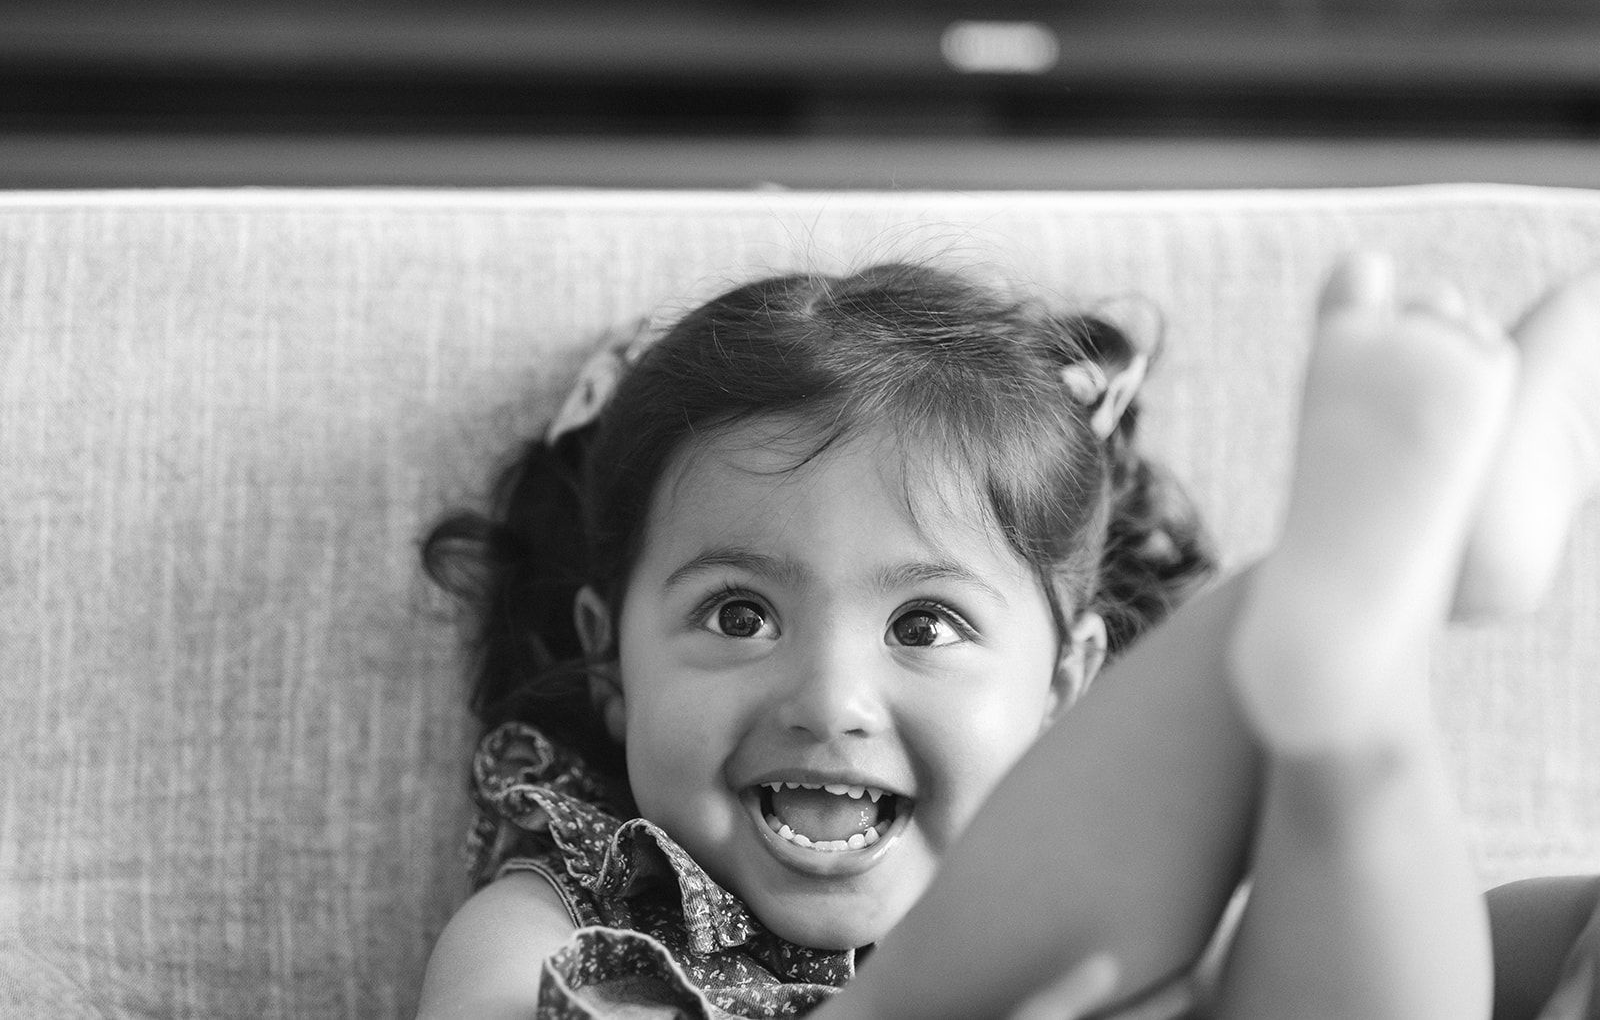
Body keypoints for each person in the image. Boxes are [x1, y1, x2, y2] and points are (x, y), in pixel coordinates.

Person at [414, 253, 1600, 1020]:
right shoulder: (564, 907)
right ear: (611, 658)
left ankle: (1352, 695)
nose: (830, 695)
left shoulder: (1154, 886)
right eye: (739, 614)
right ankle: (1364, 629)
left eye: (924, 623)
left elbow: (1459, 954)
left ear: (1066, 682)